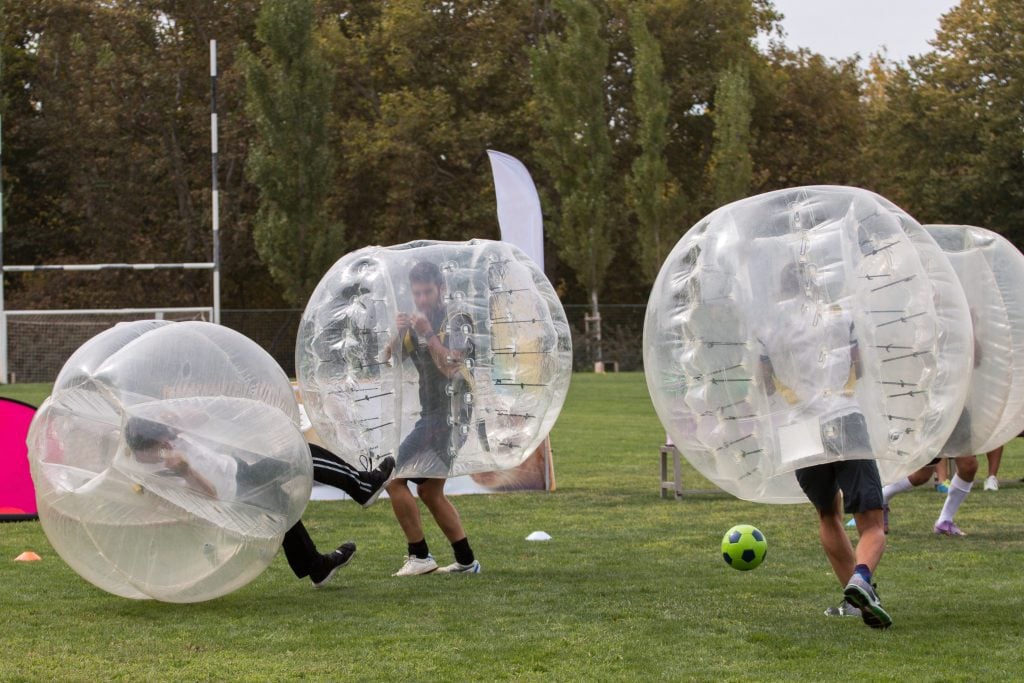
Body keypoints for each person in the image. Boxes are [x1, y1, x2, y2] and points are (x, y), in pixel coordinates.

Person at [758, 261, 890, 628]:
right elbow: (859, 365)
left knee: (827, 513)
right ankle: (862, 578)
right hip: (843, 416)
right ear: (814, 285)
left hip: (798, 426)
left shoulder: (768, 326)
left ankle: (855, 602)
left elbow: (765, 382)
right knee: (872, 523)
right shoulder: (840, 314)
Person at [124, 415, 394, 588]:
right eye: (159, 441)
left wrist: (179, 420)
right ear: (145, 446)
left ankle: (317, 567)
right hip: (238, 490)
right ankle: (362, 485)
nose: (166, 442)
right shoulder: (159, 473)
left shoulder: (167, 442)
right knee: (301, 456)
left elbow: (204, 420)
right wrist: (186, 472)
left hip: (237, 471)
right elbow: (211, 499)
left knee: (283, 507)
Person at [384, 261, 481, 576]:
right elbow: (388, 359)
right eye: (417, 293)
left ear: (441, 289)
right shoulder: (416, 322)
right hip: (433, 415)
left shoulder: (457, 319)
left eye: (428, 292)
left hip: (451, 415)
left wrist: (427, 333)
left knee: (392, 478)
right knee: (429, 491)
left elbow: (451, 368)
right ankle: (466, 561)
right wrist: (398, 334)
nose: (422, 299)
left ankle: (419, 556)